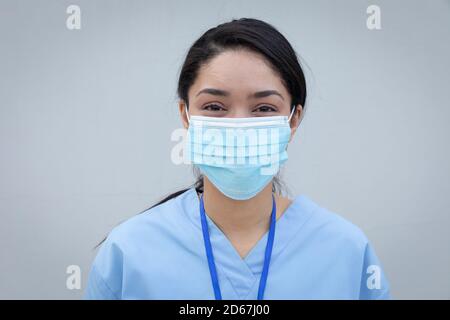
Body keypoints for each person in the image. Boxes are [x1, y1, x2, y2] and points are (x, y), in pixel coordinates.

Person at [84, 18, 391, 300]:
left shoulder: (345, 251)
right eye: (215, 107)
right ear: (186, 116)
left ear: (293, 120)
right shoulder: (130, 251)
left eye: (264, 109)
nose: (239, 125)